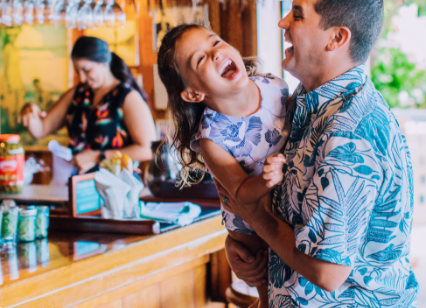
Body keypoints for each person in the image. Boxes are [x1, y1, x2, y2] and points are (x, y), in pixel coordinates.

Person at [219, 0, 418, 307]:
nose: (283, 23)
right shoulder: (303, 104)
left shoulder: (350, 132)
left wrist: (253, 216)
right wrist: (246, 245)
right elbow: (295, 221)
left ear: (336, 38)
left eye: (297, 15)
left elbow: (327, 272)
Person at [157, 24, 289, 308]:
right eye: (200, 59)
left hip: (286, 205)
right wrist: (267, 180)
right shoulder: (212, 138)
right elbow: (239, 193)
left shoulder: (275, 85)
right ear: (193, 94)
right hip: (248, 220)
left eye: (215, 42)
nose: (215, 53)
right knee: (268, 289)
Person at [19, 36, 156, 173]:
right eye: (78, 71)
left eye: (86, 70)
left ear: (104, 63)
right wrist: (29, 112)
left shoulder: (127, 97)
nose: (82, 77)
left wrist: (99, 156)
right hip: (78, 185)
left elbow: (147, 150)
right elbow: (41, 129)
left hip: (115, 187)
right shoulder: (77, 94)